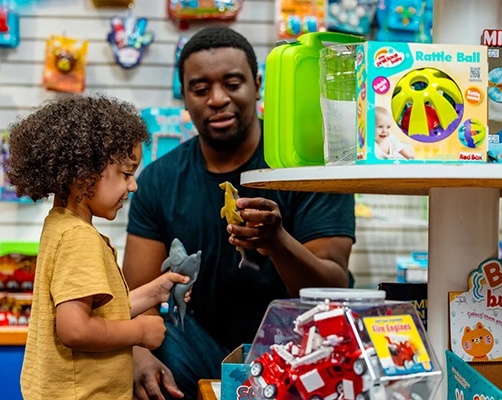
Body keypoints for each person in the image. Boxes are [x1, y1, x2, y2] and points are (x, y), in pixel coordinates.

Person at [123, 27, 356, 400]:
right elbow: (138, 297)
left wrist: (277, 242)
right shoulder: (158, 180)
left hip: (300, 348)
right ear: (184, 96)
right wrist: (137, 353)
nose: (217, 99)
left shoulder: (305, 171)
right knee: (142, 357)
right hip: (195, 348)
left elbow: (331, 289)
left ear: (257, 85)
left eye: (233, 83)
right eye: (200, 89)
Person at [5, 95, 192, 400]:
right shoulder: (80, 238)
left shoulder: (59, 225)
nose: (134, 186)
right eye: (126, 174)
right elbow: (76, 330)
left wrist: (153, 292)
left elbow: (95, 312)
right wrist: (140, 333)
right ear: (84, 174)